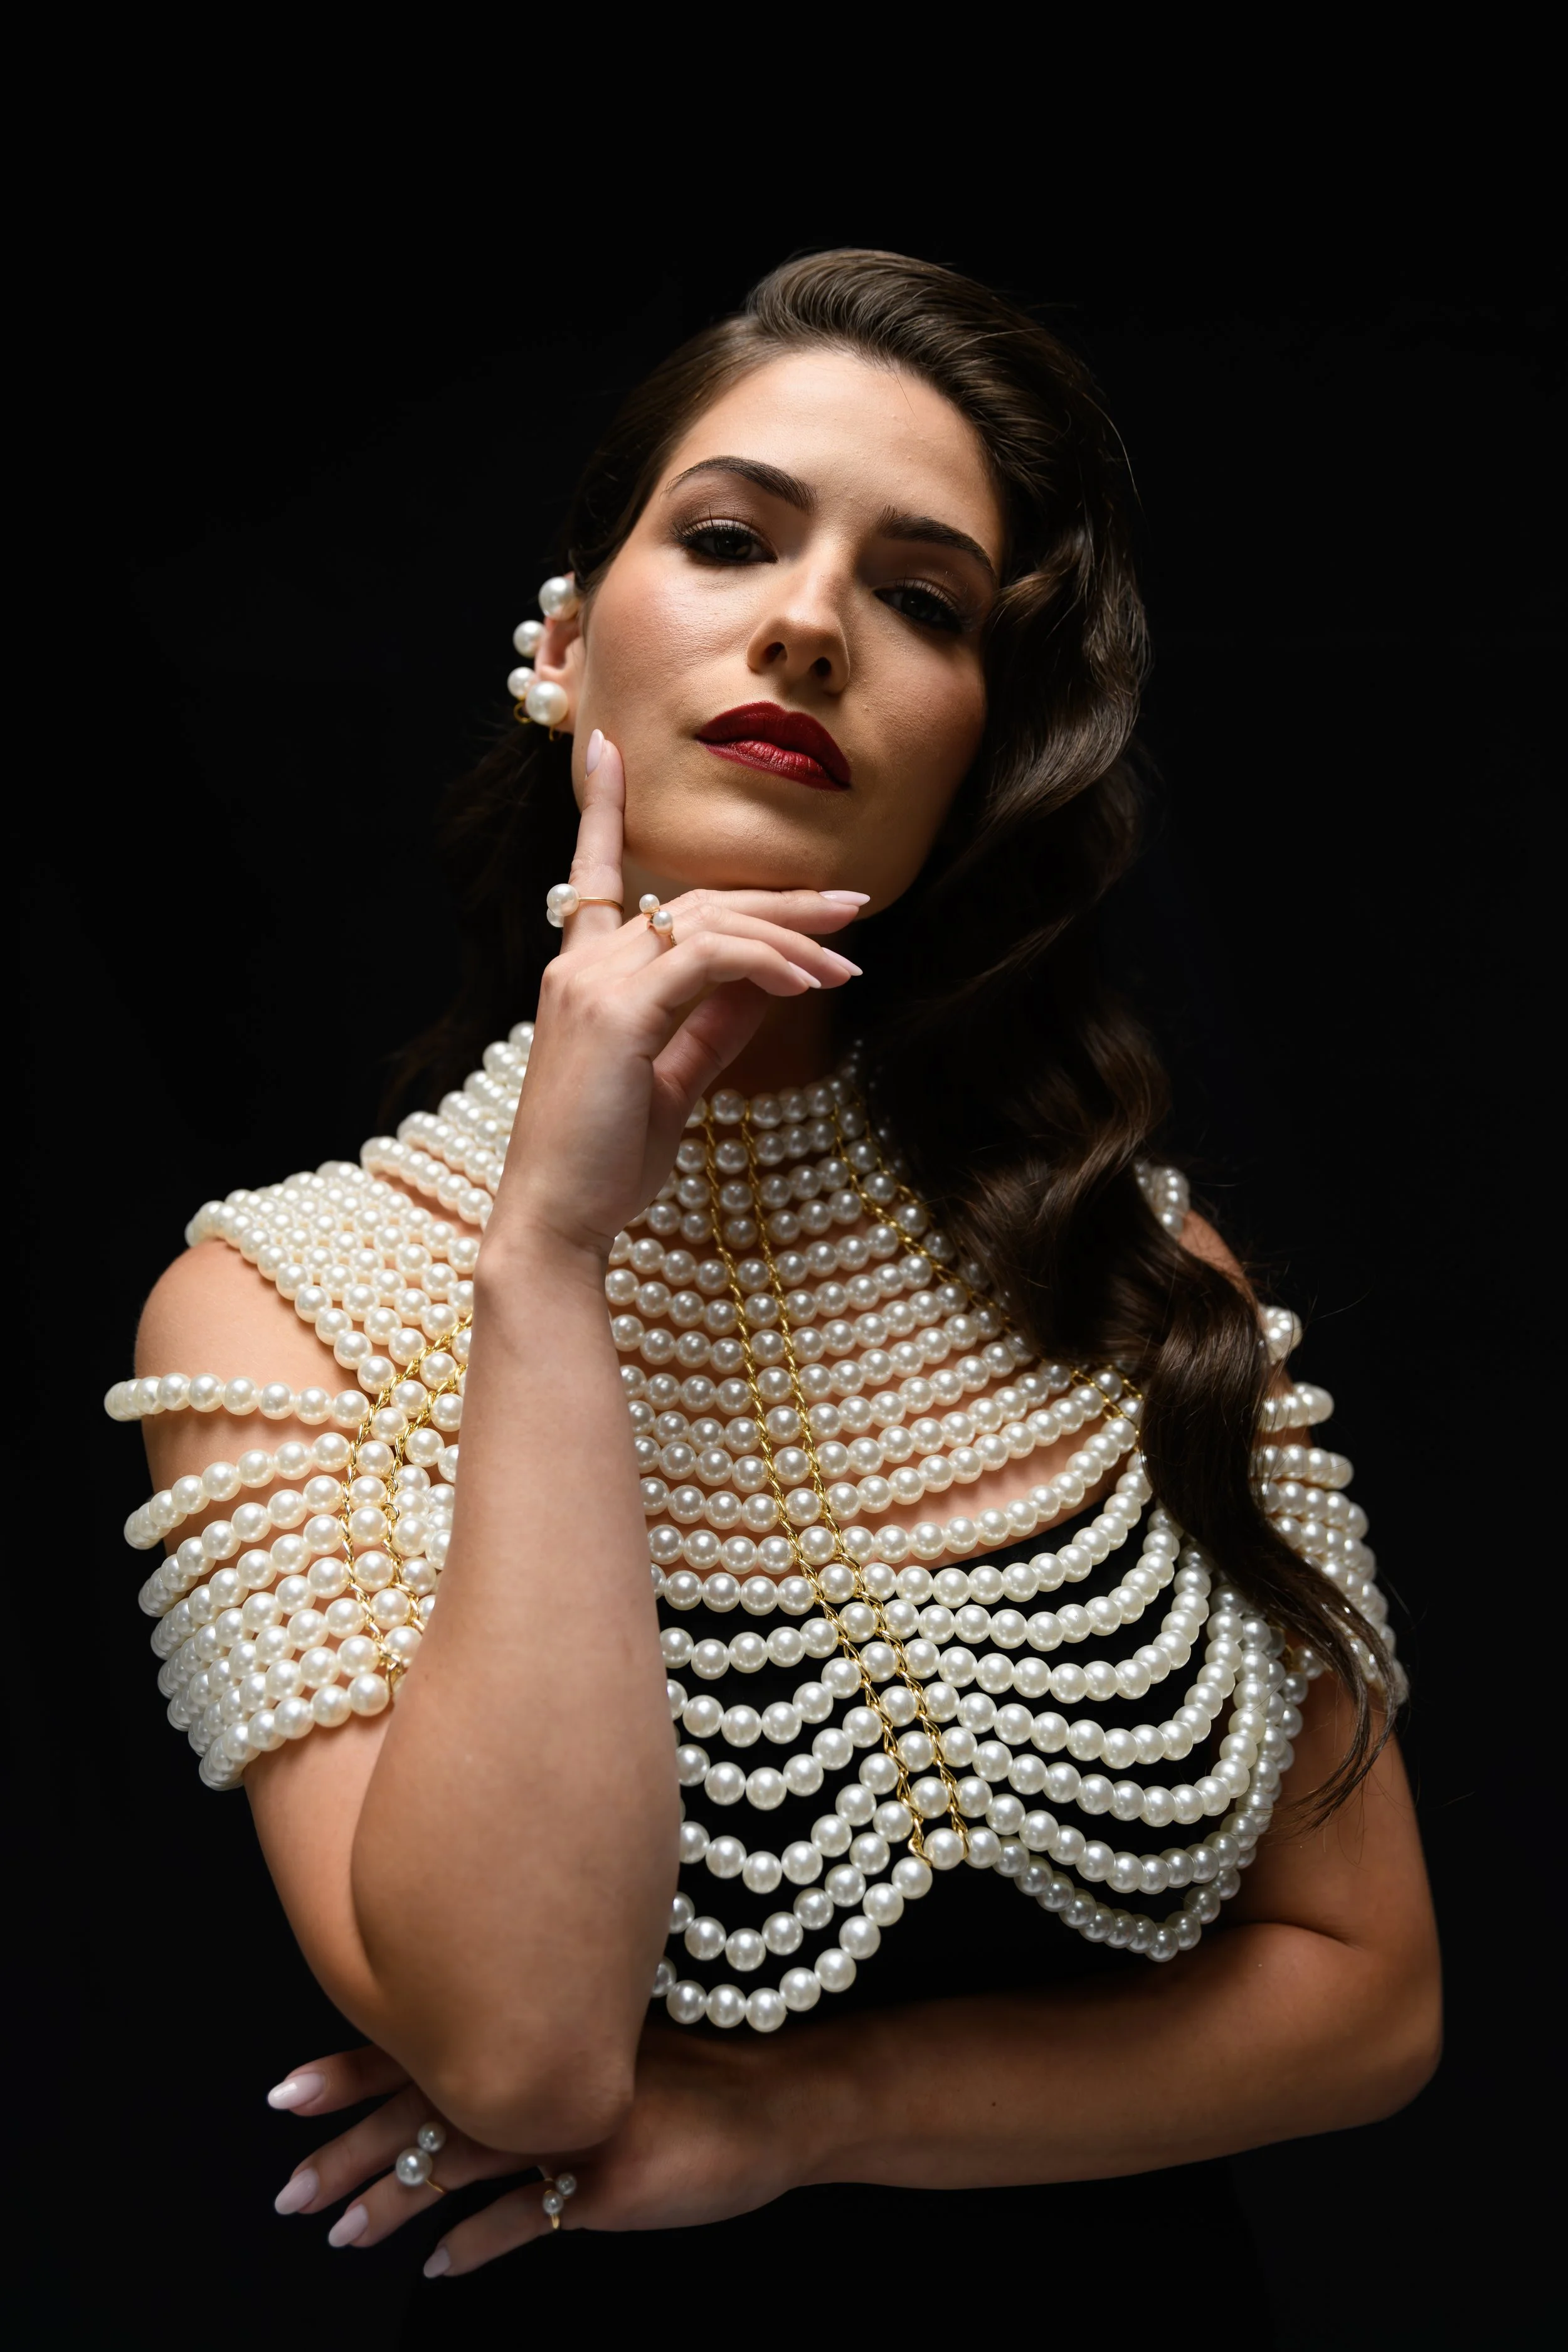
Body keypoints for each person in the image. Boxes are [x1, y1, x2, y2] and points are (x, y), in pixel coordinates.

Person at [116, 250, 1439, 2305]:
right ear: (566, 645)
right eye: (730, 539)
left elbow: (1368, 1996)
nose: (809, 624)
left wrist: (800, 2110)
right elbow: (528, 2058)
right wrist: (547, 1257)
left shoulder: (1133, 1265)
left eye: (921, 600)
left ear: (975, 747)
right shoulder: (280, 1308)